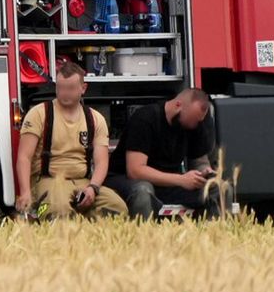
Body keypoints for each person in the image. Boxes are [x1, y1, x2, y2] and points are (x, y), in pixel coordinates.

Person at [15, 61, 127, 218]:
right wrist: (25, 192)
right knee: (58, 210)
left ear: (83, 88)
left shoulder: (96, 119)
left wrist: (92, 188)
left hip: (83, 182)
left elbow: (101, 162)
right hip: (49, 181)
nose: (64, 93)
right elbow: (24, 157)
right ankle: (43, 216)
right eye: (60, 88)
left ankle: (90, 234)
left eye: (70, 88)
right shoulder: (39, 114)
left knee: (117, 208)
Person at [105, 87, 218, 217]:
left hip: (168, 183)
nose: (194, 126)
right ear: (178, 105)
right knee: (143, 190)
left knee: (217, 188)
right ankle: (144, 235)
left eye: (198, 121)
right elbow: (135, 171)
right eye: (191, 120)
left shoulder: (196, 123)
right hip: (125, 178)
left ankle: (214, 235)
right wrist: (181, 179)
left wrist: (204, 173)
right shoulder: (145, 119)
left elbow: (199, 161)